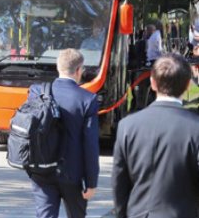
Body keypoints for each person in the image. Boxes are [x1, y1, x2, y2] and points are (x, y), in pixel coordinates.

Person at [113, 53, 199, 217]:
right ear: (188, 85)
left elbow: (120, 184)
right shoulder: (195, 128)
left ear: (152, 83)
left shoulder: (127, 126)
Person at [29, 49, 99, 218]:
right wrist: (91, 182)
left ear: (58, 67)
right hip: (72, 174)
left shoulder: (37, 92)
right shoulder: (87, 99)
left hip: (41, 170)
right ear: (78, 70)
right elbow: (90, 144)